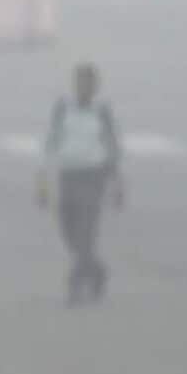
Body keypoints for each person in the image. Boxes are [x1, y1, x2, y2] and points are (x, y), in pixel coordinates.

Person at [37, 62, 124, 306]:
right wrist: (42, 180)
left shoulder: (102, 112)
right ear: (74, 84)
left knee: (86, 232)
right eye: (80, 82)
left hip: (94, 177)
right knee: (69, 232)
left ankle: (75, 284)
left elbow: (113, 147)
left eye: (89, 83)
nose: (84, 87)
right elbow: (49, 143)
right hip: (68, 176)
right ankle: (96, 271)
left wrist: (118, 183)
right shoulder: (63, 108)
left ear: (95, 87)